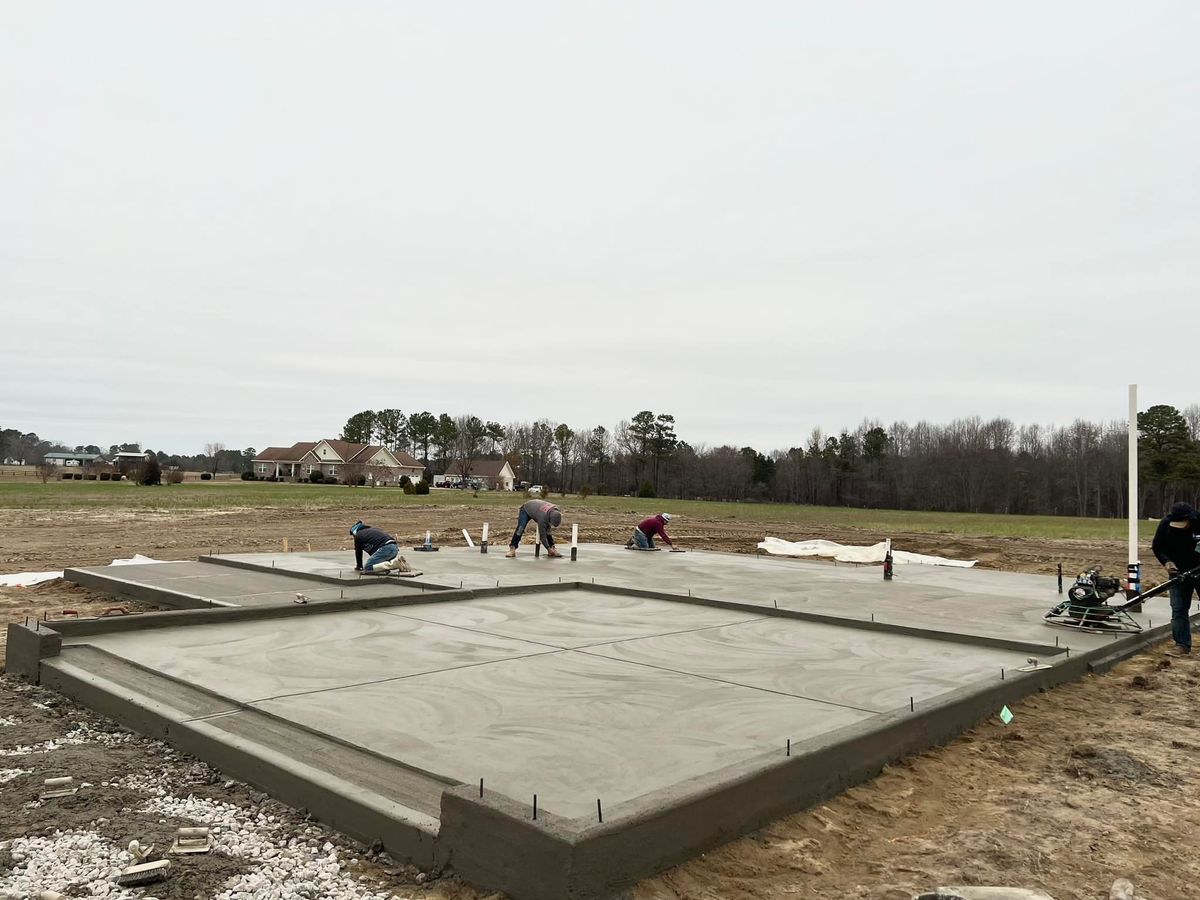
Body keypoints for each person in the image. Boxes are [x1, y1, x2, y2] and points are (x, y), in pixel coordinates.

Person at [1150, 501, 1200, 657]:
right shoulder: (1166, 524)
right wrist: (1167, 561)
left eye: (1184, 524)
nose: (1181, 527)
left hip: (1199, 570)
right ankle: (1182, 645)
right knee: (1178, 609)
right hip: (1178, 573)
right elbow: (1158, 547)